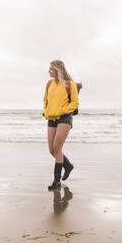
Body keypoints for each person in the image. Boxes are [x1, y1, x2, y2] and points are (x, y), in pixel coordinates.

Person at [43, 60, 81, 190]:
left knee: (57, 148)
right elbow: (45, 100)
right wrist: (46, 111)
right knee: (51, 150)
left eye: (51, 69)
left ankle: (56, 181)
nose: (49, 71)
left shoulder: (69, 84)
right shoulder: (49, 83)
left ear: (58, 70)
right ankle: (68, 166)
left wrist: (61, 110)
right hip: (51, 118)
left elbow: (75, 103)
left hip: (65, 118)